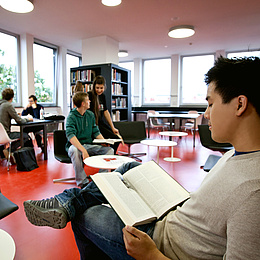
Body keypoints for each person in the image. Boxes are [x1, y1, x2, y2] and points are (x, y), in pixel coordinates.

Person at [23, 57, 260, 260]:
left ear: (239, 104)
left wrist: (153, 256)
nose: (206, 114)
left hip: (159, 243)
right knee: (129, 165)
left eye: (210, 103)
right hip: (172, 214)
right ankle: (70, 200)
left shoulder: (253, 194)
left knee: (83, 215)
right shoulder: (234, 154)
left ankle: (69, 203)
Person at [65, 91, 114, 188]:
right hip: (76, 146)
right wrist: (83, 150)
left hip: (89, 145)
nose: (90, 101)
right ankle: (83, 182)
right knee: (74, 150)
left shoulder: (90, 115)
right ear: (83, 104)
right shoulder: (71, 117)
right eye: (88, 100)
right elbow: (71, 136)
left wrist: (104, 142)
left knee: (110, 150)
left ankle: (101, 178)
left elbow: (96, 132)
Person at [88, 75, 120, 154]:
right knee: (103, 143)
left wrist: (113, 127)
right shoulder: (89, 95)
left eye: (101, 88)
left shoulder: (103, 96)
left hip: (101, 123)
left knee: (116, 139)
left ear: (104, 87)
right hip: (92, 125)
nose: (99, 90)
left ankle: (112, 155)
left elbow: (106, 112)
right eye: (97, 88)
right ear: (93, 86)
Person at [0, 88, 33, 161]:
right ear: (12, 97)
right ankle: (8, 150)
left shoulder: (1, 105)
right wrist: (28, 118)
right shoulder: (8, 105)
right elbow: (20, 121)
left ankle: (2, 152)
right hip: (6, 134)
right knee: (25, 136)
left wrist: (14, 114)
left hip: (0, 134)